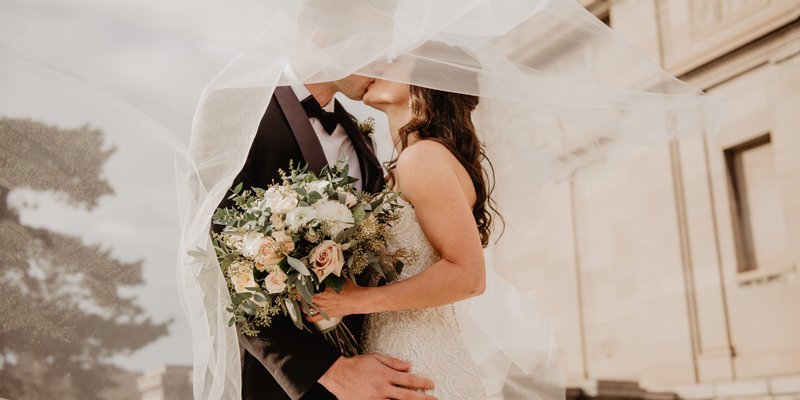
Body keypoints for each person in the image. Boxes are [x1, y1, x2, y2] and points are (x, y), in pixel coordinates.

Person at [215, 72, 437, 400]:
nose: (379, 66)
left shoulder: (362, 139)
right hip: (285, 384)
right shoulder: (239, 112)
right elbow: (220, 258)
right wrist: (328, 370)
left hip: (371, 368)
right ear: (327, 35)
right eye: (370, 46)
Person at [306, 55, 494, 398]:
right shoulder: (405, 162)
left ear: (425, 81)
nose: (375, 64)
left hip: (418, 361)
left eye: (393, 61)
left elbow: (469, 276)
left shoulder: (423, 158)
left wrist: (355, 300)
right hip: (393, 357)